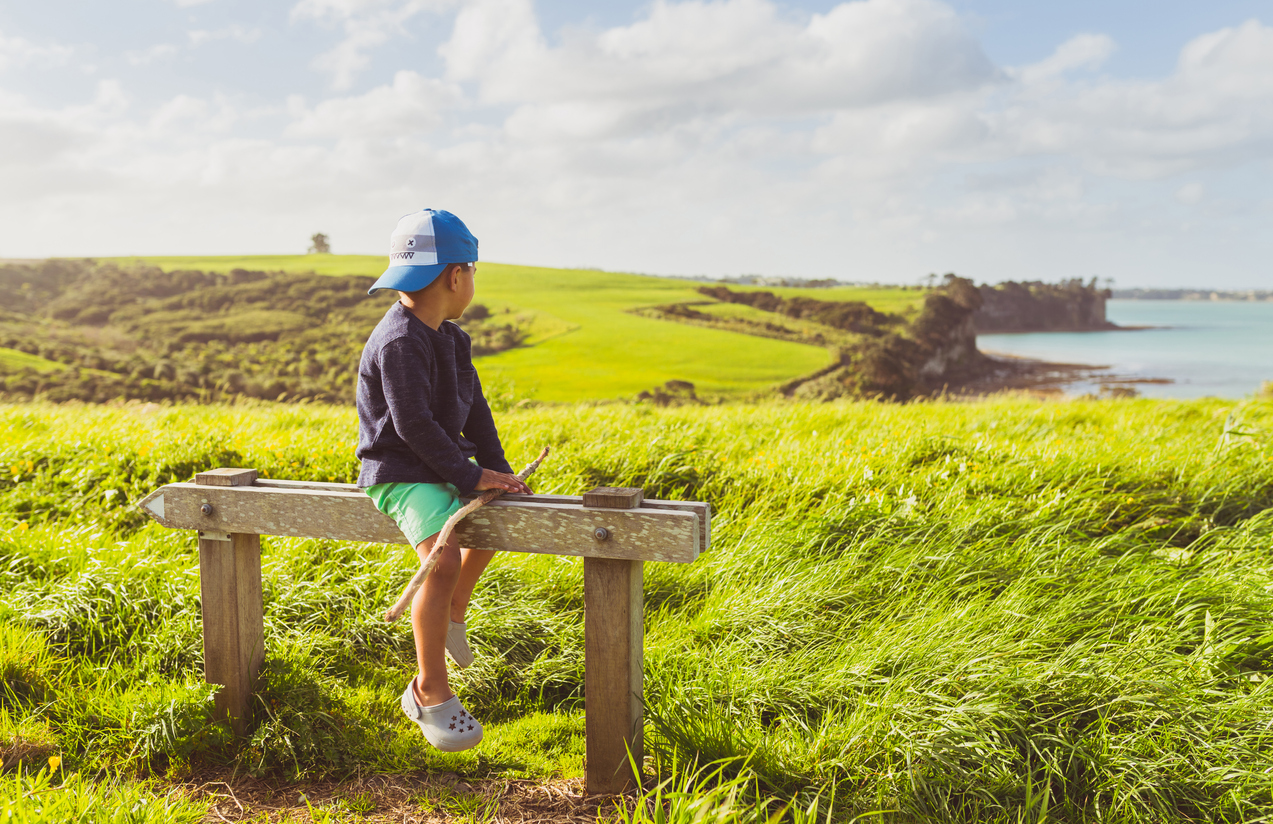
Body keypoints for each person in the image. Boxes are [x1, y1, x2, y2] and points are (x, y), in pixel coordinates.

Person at [355, 208, 530, 752]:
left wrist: (493, 473)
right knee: (444, 556)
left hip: (440, 464)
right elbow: (410, 428)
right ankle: (429, 691)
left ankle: (453, 609)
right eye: (472, 269)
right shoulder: (399, 341)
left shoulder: (451, 339)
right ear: (456, 275)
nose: (472, 280)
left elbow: (476, 412)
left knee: (495, 519)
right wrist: (468, 474)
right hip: (400, 472)